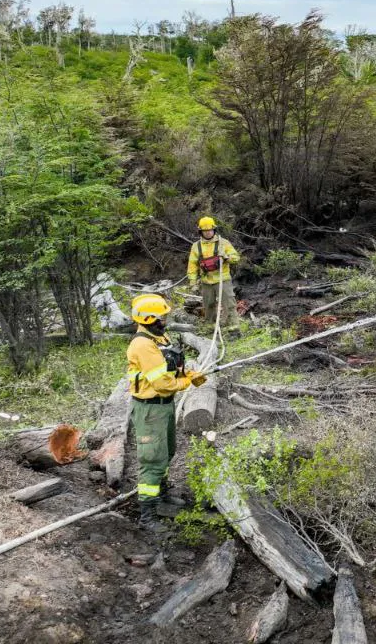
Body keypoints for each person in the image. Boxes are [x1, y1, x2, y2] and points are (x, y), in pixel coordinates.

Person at [126, 293, 208, 533]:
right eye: (161, 316)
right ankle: (147, 516)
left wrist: (186, 374)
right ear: (149, 318)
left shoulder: (159, 338)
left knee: (166, 452)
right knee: (152, 459)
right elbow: (161, 383)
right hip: (150, 409)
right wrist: (188, 384)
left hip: (165, 406)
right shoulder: (143, 345)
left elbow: (171, 368)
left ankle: (161, 495)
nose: (165, 319)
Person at [187, 216, 241, 327]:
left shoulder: (223, 243)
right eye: (205, 231)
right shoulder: (196, 246)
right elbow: (192, 265)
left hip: (223, 279)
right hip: (206, 281)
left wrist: (226, 257)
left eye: (210, 230)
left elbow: (236, 257)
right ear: (200, 231)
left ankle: (233, 326)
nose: (208, 233)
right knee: (208, 305)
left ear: (214, 230)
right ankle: (210, 326)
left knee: (229, 304)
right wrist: (192, 283)